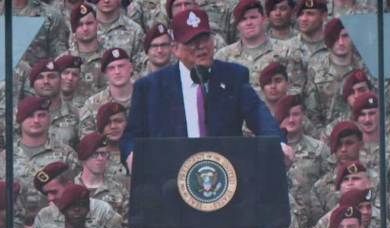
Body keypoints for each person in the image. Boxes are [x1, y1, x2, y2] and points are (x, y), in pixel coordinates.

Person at [121, 8, 289, 171]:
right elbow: (132, 136)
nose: (201, 46)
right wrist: (131, 154)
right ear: (175, 48)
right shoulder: (150, 88)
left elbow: (260, 118)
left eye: (205, 38)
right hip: (172, 175)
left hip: (225, 174)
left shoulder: (233, 77)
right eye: (192, 42)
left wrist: (279, 145)